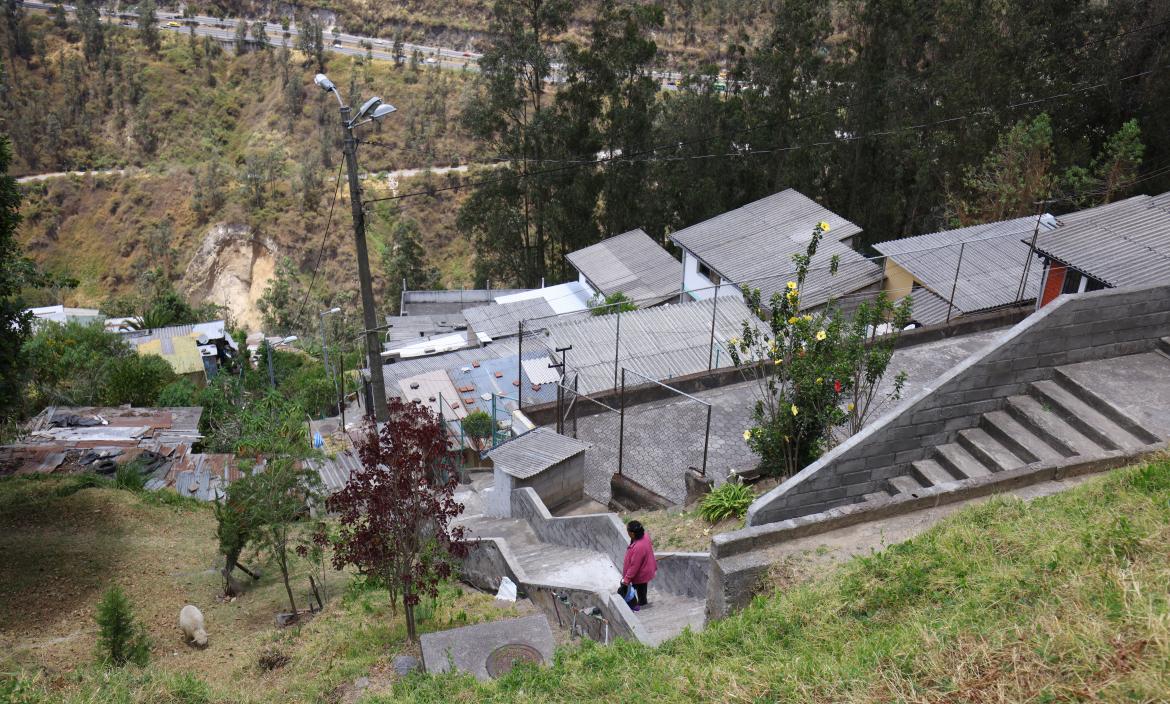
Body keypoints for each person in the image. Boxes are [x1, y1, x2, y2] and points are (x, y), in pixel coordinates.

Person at [618, 520, 657, 611]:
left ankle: (638, 608)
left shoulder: (638, 547)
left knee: (627, 591)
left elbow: (634, 566)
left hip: (640, 575)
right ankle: (641, 606)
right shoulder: (645, 536)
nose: (627, 532)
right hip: (645, 570)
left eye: (627, 531)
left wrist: (626, 580)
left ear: (632, 533)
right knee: (641, 591)